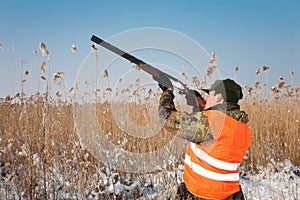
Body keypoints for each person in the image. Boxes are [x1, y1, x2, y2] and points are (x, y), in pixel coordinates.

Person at [155, 76, 252, 200]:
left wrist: (167, 92)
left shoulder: (211, 122)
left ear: (219, 97)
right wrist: (196, 102)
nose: (206, 99)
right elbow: (211, 138)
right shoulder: (242, 127)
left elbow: (168, 119)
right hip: (229, 195)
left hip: (201, 194)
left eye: (209, 95)